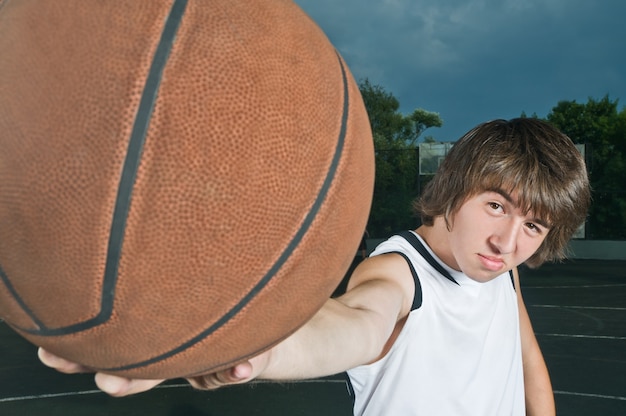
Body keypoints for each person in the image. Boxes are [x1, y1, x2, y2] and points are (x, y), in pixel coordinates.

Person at [39, 118, 591, 415]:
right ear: (457, 187)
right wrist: (247, 344)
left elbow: (528, 365)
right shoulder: (400, 276)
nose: (507, 241)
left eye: (533, 227)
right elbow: (353, 323)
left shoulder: (502, 269)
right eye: (496, 206)